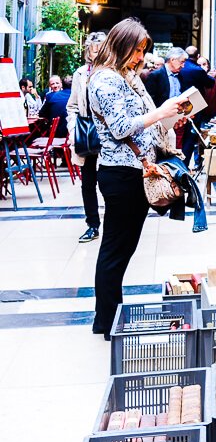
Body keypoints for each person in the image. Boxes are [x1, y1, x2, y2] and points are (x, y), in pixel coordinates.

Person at [88, 18, 184, 339]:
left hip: (137, 170)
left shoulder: (127, 77)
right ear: (121, 45)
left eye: (143, 50)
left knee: (124, 246)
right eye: (137, 50)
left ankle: (109, 317)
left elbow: (146, 121)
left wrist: (170, 116)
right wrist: (160, 112)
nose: (141, 57)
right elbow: (121, 127)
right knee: (116, 248)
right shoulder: (104, 80)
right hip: (120, 174)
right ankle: (107, 320)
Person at [67, 31, 107, 243]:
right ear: (88, 52)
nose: (97, 54)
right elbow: (72, 106)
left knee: (109, 181)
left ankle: (113, 223)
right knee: (88, 182)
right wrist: (73, 129)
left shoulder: (115, 71)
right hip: (87, 134)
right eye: (93, 51)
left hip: (111, 135)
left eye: (101, 49)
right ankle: (92, 224)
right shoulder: (80, 74)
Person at [177, 46, 215, 168]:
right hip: (194, 106)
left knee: (178, 136)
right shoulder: (197, 70)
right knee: (190, 136)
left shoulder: (181, 68)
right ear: (197, 57)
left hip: (177, 104)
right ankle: (184, 164)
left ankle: (178, 163)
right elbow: (210, 82)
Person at [195, 56, 216, 169]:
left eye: (204, 64)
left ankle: (209, 162)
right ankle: (198, 162)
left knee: (209, 137)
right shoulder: (197, 75)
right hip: (198, 111)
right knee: (199, 137)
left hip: (211, 111)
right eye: (199, 65)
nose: (202, 67)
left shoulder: (213, 75)